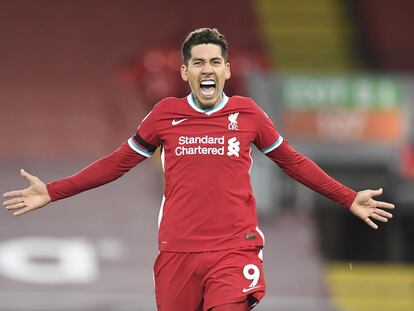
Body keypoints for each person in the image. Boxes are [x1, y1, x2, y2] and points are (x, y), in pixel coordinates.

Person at [3, 28, 395, 311]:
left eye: (215, 62)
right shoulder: (164, 115)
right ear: (185, 72)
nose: (207, 69)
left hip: (233, 249)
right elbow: (116, 164)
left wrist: (347, 197)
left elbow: (292, 161)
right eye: (198, 63)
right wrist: (53, 191)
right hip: (177, 253)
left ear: (226, 70)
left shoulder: (248, 114)